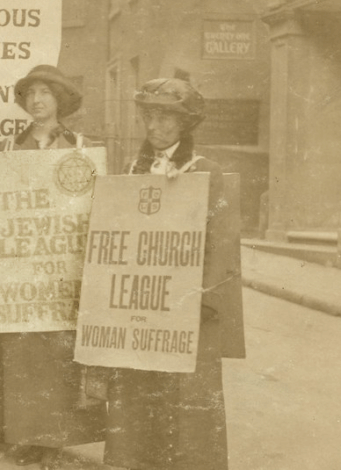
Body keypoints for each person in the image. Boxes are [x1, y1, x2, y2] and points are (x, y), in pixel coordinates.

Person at [102, 77, 245, 470]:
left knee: (186, 397)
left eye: (165, 118)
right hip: (142, 302)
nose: (154, 127)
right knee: (137, 388)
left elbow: (222, 244)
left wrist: (204, 297)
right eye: (149, 116)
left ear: (184, 124)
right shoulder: (131, 170)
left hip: (187, 305)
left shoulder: (207, 172)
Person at [0, 65, 106, 470]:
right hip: (20, 267)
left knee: (58, 355)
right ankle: (25, 435)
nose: (37, 101)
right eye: (30, 93)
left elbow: (95, 207)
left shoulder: (82, 146)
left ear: (60, 100)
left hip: (62, 265)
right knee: (21, 353)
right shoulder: (5, 149)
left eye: (45, 93)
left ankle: (53, 440)